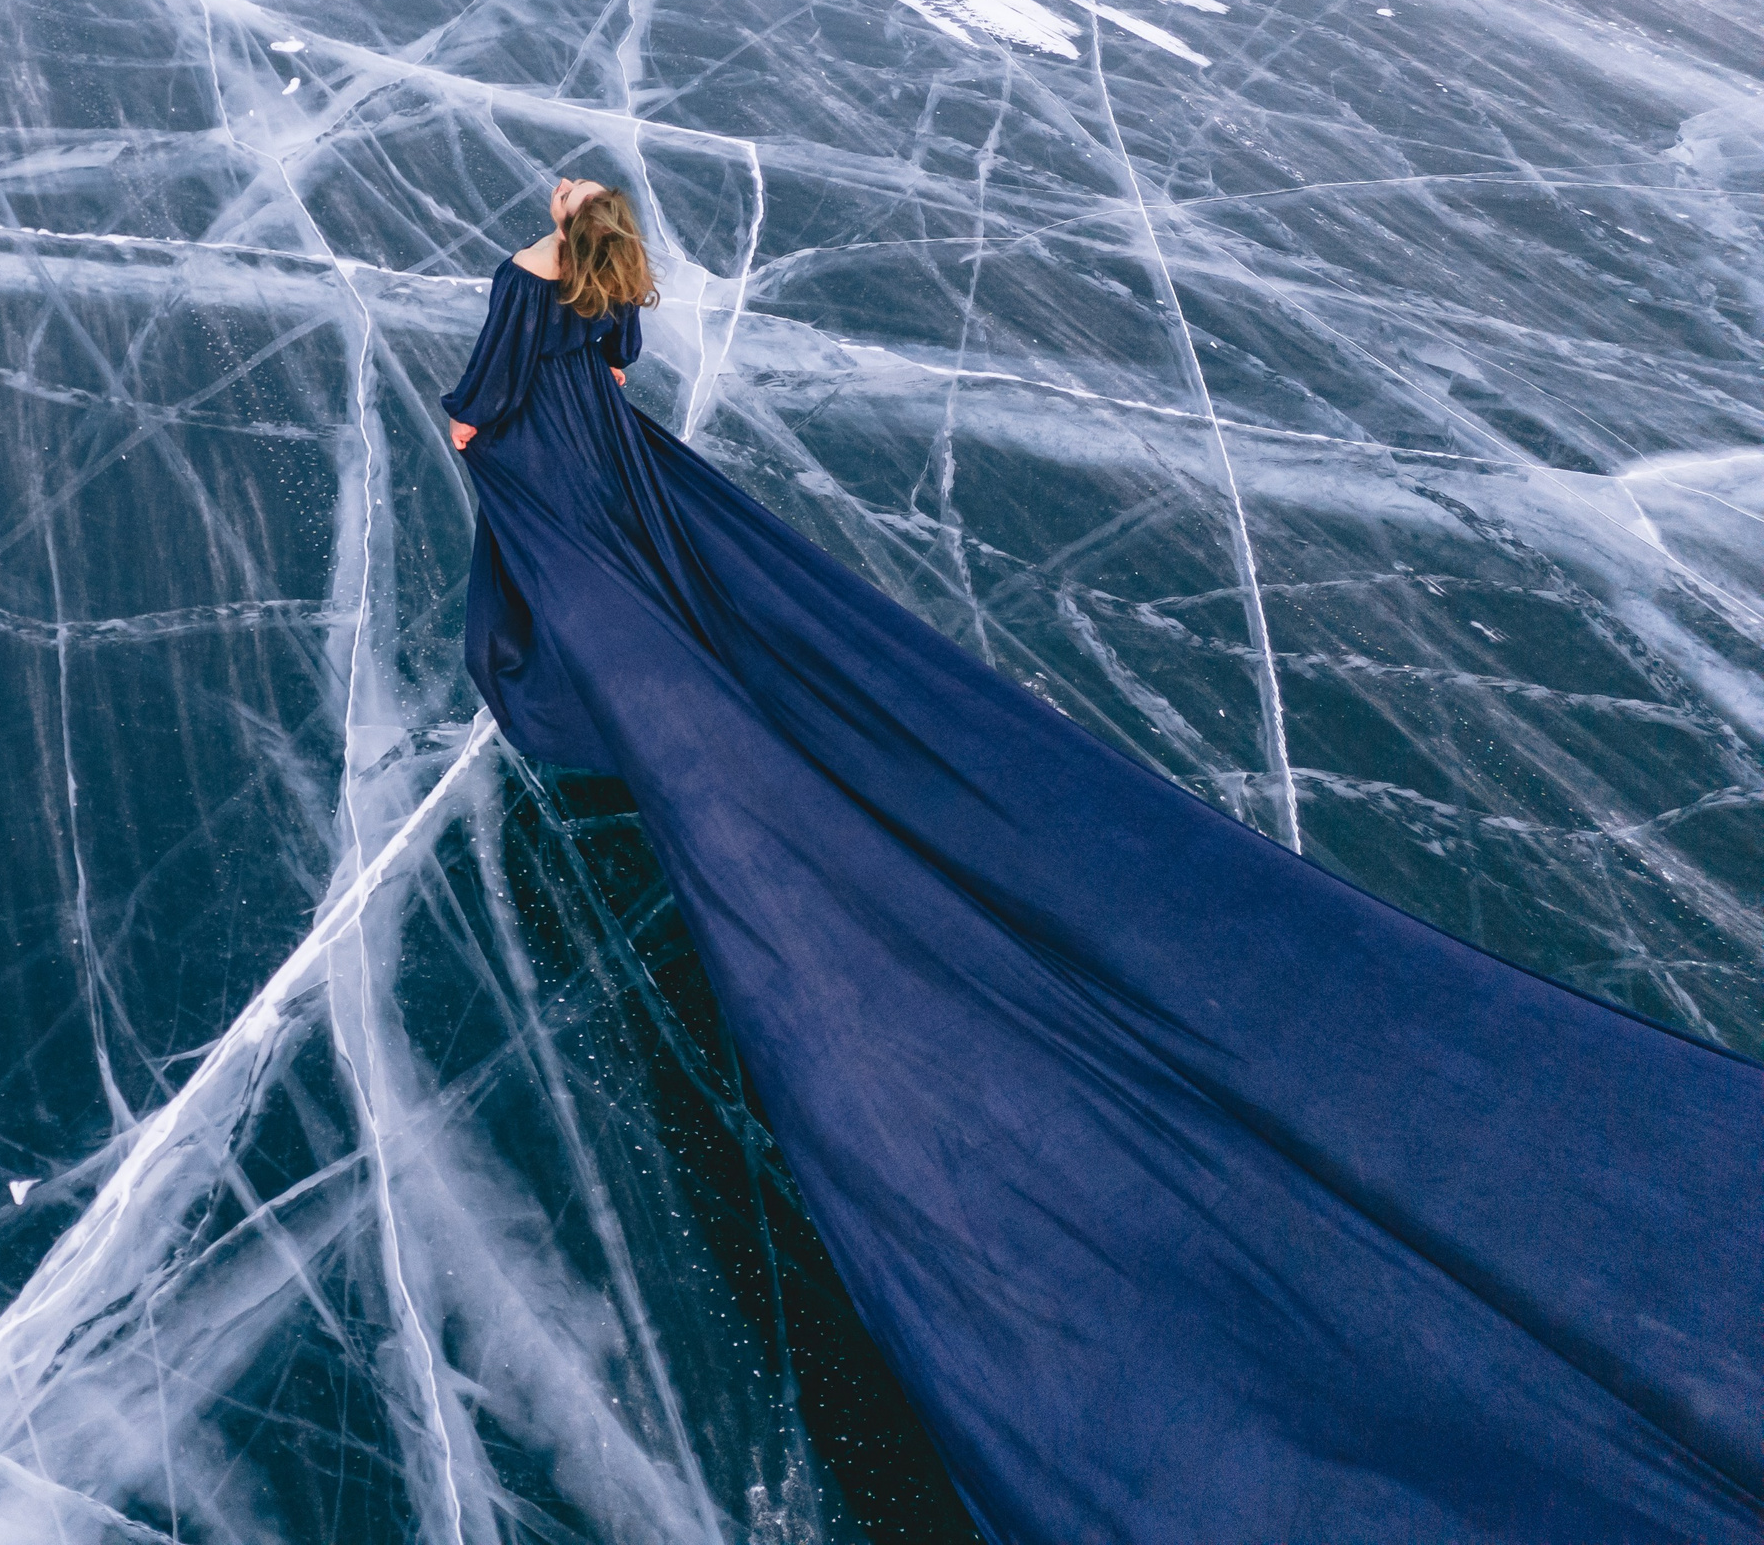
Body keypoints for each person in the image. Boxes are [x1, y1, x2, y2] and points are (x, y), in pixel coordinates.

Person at [440, 178, 1763, 1545]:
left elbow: (477, 408)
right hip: (599, 466)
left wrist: (513, 432)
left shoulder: (522, 273)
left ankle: (579, 717)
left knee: (607, 639)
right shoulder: (604, 286)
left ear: (555, 217)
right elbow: (617, 359)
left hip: (558, 482)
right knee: (643, 621)